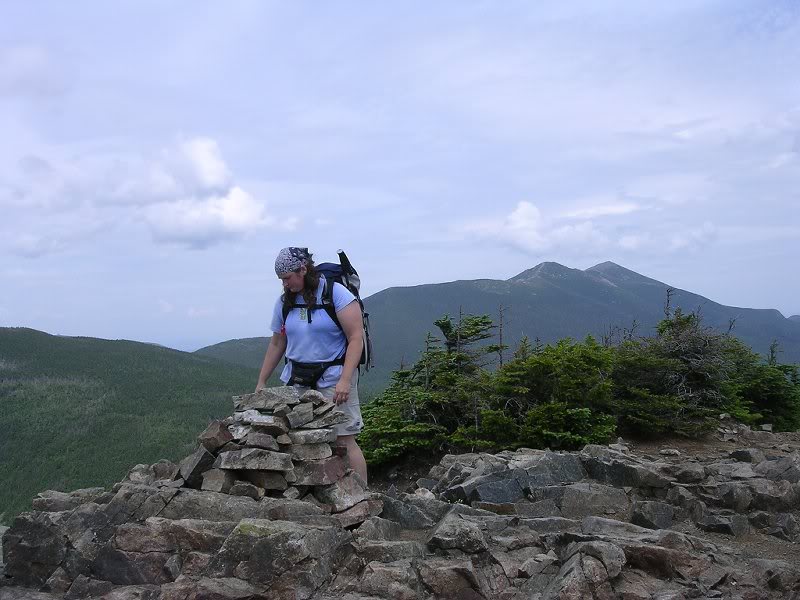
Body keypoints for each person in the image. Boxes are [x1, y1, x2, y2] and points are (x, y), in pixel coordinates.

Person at [255, 247, 368, 484]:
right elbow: (277, 343)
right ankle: (317, 496)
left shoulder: (336, 294)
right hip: (297, 381)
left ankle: (363, 498)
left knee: (344, 441)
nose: (285, 284)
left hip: (334, 379)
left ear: (303, 270)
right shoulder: (285, 302)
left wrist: (345, 380)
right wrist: (262, 381)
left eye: (287, 278)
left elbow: (356, 338)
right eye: (281, 280)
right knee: (300, 439)